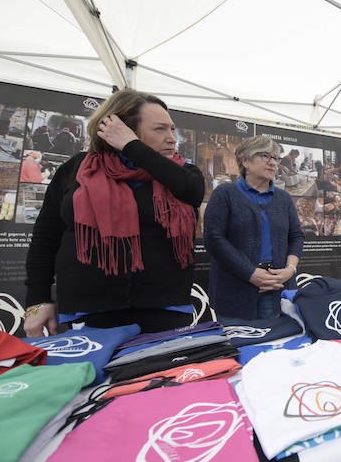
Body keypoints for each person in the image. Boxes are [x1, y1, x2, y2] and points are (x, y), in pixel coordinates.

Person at [23, 89, 204, 336]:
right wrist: (37, 299)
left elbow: (190, 191)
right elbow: (46, 236)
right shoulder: (77, 169)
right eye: (160, 129)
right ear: (121, 128)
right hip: (91, 310)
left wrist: (132, 146)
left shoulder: (183, 172)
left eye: (172, 129)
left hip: (165, 309)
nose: (172, 138)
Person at [204, 136, 304, 320]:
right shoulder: (225, 194)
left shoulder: (284, 199)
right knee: (240, 346)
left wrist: (290, 269)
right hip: (235, 291)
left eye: (275, 157)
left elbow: (296, 236)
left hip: (278, 290)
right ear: (245, 161)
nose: (272, 162)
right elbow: (214, 239)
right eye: (265, 155)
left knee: (279, 346)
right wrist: (249, 273)